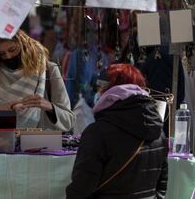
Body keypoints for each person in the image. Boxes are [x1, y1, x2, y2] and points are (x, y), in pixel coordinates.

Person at [66, 64, 168, 199]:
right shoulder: (159, 131)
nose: (98, 92)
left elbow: (81, 189)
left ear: (112, 91)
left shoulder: (97, 133)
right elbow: (161, 186)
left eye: (102, 87)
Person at [0, 30, 75, 131]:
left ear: (23, 46)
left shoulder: (48, 70)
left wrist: (49, 107)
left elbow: (69, 121)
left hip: (41, 144)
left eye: (12, 50)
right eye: (2, 54)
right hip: (3, 143)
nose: (8, 56)